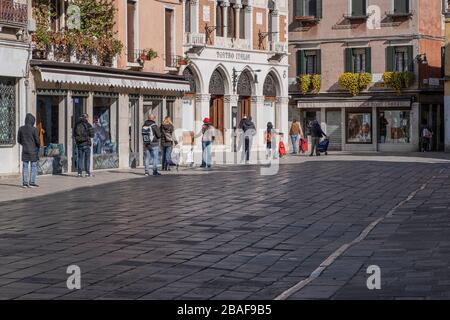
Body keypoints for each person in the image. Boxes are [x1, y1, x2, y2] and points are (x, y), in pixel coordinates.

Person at [17, 113, 40, 188]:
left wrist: (24, 144)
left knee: (25, 167)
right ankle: (32, 182)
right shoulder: (34, 129)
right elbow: (37, 140)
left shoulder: (21, 128)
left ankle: (25, 183)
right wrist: (38, 146)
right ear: (32, 121)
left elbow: (18, 140)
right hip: (33, 150)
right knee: (33, 166)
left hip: (25, 150)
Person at [73, 113, 94, 177]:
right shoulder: (88, 125)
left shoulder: (76, 125)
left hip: (80, 144)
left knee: (80, 159)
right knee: (87, 159)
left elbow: (74, 134)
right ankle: (87, 173)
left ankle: (79, 173)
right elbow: (92, 135)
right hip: (86, 144)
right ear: (86, 118)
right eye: (87, 117)